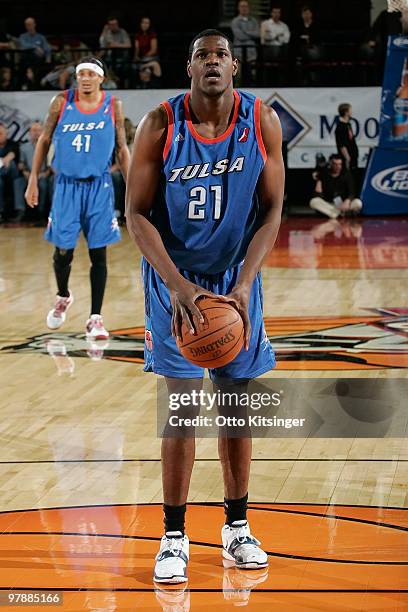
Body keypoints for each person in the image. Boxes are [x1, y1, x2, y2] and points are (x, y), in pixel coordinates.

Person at [126, 29, 284, 583]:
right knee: (182, 407)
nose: (212, 63)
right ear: (188, 67)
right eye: (201, 56)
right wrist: (177, 287)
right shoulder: (160, 126)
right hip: (175, 280)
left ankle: (237, 528)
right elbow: (136, 214)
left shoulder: (261, 122)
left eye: (220, 55)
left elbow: (272, 210)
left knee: (237, 404)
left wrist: (243, 284)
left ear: (234, 66)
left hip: (235, 280)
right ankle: (173, 537)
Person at [25, 57, 130, 342]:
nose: (84, 78)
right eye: (80, 73)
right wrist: (33, 178)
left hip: (99, 188)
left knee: (99, 254)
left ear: (100, 78)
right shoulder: (61, 102)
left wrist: (132, 186)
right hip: (66, 187)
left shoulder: (113, 105)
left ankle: (95, 318)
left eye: (90, 74)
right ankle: (63, 296)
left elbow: (122, 147)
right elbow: (44, 140)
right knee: (63, 253)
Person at [14, 121, 51, 222]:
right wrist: (26, 172)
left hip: (43, 175)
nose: (36, 133)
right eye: (34, 130)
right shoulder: (23, 147)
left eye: (39, 130)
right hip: (28, 175)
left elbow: (51, 164)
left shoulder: (48, 145)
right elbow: (21, 164)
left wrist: (45, 173)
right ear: (30, 132)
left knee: (43, 184)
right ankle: (20, 212)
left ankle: (41, 213)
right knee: (18, 182)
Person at [310, 154, 362, 218]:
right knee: (313, 202)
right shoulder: (325, 174)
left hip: (343, 203)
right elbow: (318, 195)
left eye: (340, 164)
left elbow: (352, 192)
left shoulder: (346, 174)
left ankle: (335, 213)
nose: (338, 167)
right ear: (331, 164)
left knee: (358, 203)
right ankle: (337, 213)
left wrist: (347, 201)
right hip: (329, 204)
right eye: (335, 164)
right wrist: (319, 181)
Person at [231, 0, 259, 80]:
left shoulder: (254, 21)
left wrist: (245, 32)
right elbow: (240, 36)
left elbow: (257, 34)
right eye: (242, 6)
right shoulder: (235, 21)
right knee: (238, 76)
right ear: (238, 8)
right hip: (239, 53)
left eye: (246, 6)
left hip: (252, 53)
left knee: (253, 76)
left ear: (249, 8)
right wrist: (251, 34)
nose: (244, 8)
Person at [99, 15, 131, 86]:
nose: (113, 26)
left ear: (117, 24)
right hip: (109, 58)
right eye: (111, 25)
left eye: (114, 24)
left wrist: (116, 45)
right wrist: (104, 31)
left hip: (121, 58)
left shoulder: (122, 32)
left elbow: (128, 45)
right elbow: (103, 45)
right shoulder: (107, 33)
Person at [0, 122, 20, 223]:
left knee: (10, 163)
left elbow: (12, 154)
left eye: (1, 133)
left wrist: (6, 160)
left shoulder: (13, 144)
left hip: (13, 175)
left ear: (6, 133)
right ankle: (1, 212)